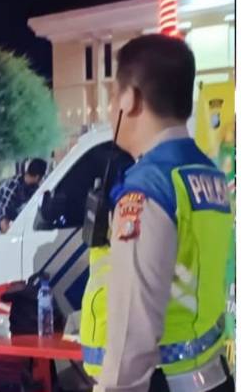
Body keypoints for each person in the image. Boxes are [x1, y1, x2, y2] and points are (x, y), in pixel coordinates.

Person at [84, 34, 234, 392]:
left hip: (161, 381)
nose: (110, 110)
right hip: (209, 375)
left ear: (130, 99)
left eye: (112, 96)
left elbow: (132, 330)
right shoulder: (209, 174)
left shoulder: (149, 188)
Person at [0, 158, 47, 233]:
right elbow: (3, 209)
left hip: (12, 214)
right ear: (38, 177)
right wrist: (7, 234)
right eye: (42, 177)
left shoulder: (33, 187)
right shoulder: (14, 185)